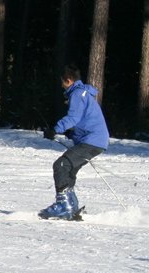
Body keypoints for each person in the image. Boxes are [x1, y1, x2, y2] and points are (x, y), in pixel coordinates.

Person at [39, 65, 109, 220]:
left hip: (93, 140)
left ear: (68, 80)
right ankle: (71, 204)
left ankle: (64, 205)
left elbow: (73, 118)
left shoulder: (77, 94)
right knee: (69, 169)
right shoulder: (83, 93)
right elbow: (84, 120)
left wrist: (55, 129)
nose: (61, 85)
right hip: (95, 140)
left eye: (62, 82)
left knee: (61, 165)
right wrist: (72, 133)